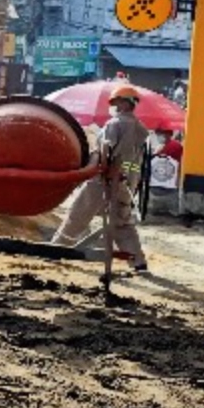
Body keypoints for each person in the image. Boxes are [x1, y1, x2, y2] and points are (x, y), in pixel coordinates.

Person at [52, 84, 150, 272]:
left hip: (104, 180)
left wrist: (89, 168)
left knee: (78, 214)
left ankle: (56, 249)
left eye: (116, 102)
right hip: (128, 183)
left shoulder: (115, 124)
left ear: (123, 103)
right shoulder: (141, 129)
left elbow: (105, 152)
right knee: (122, 223)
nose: (114, 106)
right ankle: (138, 262)